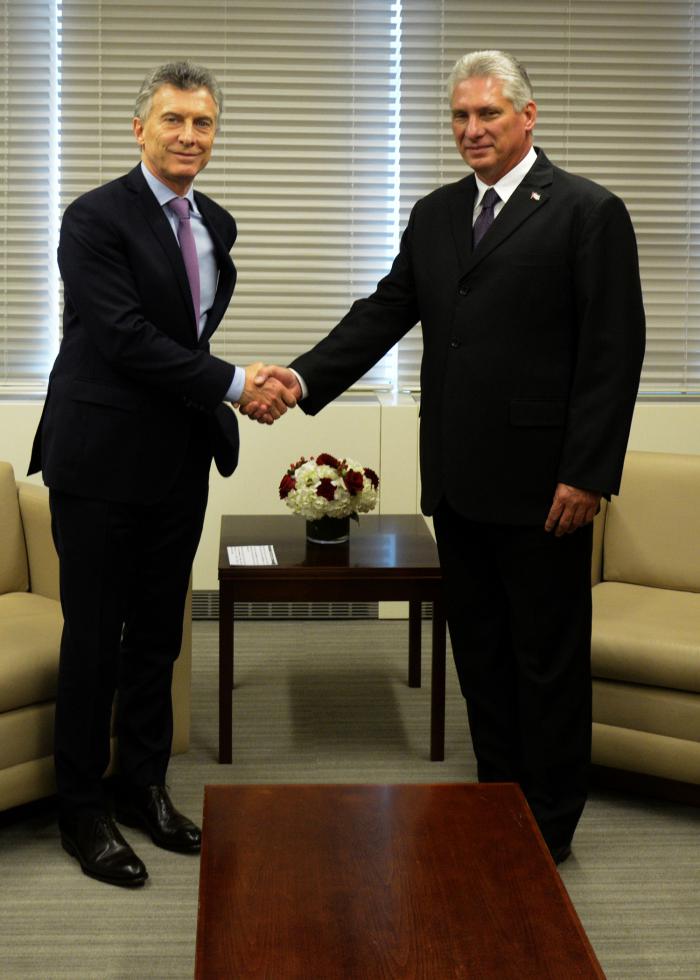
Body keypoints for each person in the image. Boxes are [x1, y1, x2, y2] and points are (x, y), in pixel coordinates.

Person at [249, 50, 646, 863]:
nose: (472, 130)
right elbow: (386, 311)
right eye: (460, 117)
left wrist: (588, 473)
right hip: (459, 483)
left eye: (488, 114)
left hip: (547, 488)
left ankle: (552, 821)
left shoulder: (586, 212)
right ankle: (498, 796)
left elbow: (614, 353)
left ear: (528, 117)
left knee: (547, 658)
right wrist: (300, 376)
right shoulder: (435, 214)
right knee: (482, 652)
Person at [28, 61, 294, 887]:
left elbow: (183, 335)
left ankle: (143, 785)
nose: (188, 136)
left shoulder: (216, 221)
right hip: (100, 462)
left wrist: (226, 380)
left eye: (204, 123)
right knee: (94, 641)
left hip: (177, 460)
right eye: (174, 120)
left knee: (156, 637)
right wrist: (232, 385)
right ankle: (82, 810)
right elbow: (123, 335)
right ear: (139, 128)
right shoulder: (93, 218)